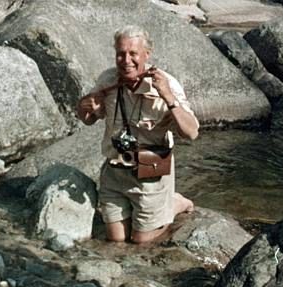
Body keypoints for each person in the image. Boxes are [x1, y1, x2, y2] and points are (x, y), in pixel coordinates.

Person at [76, 26, 199, 244]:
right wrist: (84, 108)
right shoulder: (108, 80)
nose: (126, 60)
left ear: (146, 55)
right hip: (115, 171)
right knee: (116, 241)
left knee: (141, 241)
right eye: (120, 54)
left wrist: (169, 98)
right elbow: (89, 120)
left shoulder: (165, 84)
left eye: (133, 54)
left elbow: (191, 133)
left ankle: (175, 202)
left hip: (150, 175)